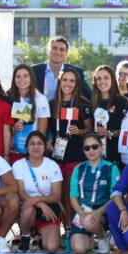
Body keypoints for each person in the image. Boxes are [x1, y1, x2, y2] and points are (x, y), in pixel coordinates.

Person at [48, 68, 92, 223]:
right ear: (60, 82)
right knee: (58, 194)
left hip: (76, 155)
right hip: (56, 156)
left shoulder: (83, 104)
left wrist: (79, 131)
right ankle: (61, 227)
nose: (68, 84)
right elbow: (48, 130)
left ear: (76, 83)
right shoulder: (52, 104)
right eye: (65, 80)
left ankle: (72, 229)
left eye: (72, 81)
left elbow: (89, 129)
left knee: (72, 193)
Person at [12, 131, 63, 254]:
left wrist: (38, 200)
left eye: (39, 143)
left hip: (49, 209)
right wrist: (40, 203)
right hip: (28, 207)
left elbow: (56, 196)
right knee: (29, 209)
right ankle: (26, 236)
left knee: (51, 248)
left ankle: (38, 235)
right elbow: (21, 193)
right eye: (32, 144)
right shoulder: (18, 165)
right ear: (26, 147)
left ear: (45, 147)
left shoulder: (52, 165)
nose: (36, 147)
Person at [69, 133, 120, 254]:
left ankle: (102, 236)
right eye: (87, 148)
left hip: (103, 212)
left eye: (94, 147)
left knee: (88, 221)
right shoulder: (78, 168)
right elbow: (73, 196)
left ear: (101, 147)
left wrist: (98, 212)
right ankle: (91, 237)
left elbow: (116, 197)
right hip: (83, 211)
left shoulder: (111, 168)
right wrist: (81, 213)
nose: (91, 150)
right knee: (79, 249)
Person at [7, 64, 50, 164]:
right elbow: (4, 127)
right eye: (18, 76)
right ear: (14, 79)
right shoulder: (8, 97)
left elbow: (41, 132)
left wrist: (36, 149)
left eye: (26, 76)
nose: (22, 79)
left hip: (32, 152)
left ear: (31, 78)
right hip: (13, 151)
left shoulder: (40, 99)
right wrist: (13, 129)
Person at [91, 65, 128, 168]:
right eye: (98, 78)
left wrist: (109, 133)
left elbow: (127, 131)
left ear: (112, 79)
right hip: (94, 156)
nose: (102, 81)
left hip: (115, 156)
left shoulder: (122, 102)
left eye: (106, 78)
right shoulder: (91, 102)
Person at [32, 36, 92, 101]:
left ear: (66, 53)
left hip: (65, 110)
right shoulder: (34, 71)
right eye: (54, 48)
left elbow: (89, 96)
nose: (58, 52)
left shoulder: (76, 72)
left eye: (62, 49)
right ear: (48, 51)